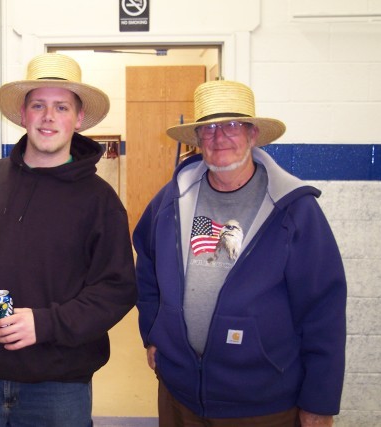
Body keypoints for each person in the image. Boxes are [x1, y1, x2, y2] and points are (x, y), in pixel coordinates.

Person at [0, 53, 137, 426]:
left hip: (58, 387)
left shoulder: (101, 201)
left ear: (79, 118)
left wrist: (47, 323)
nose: (48, 117)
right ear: (22, 115)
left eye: (61, 107)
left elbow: (115, 290)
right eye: (38, 105)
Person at [133, 80, 347, 427]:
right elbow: (147, 266)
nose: (220, 137)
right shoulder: (172, 198)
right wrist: (154, 330)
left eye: (232, 125)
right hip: (180, 395)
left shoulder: (294, 209)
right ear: (198, 139)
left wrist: (319, 403)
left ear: (252, 134)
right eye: (209, 128)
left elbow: (324, 311)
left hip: (262, 403)